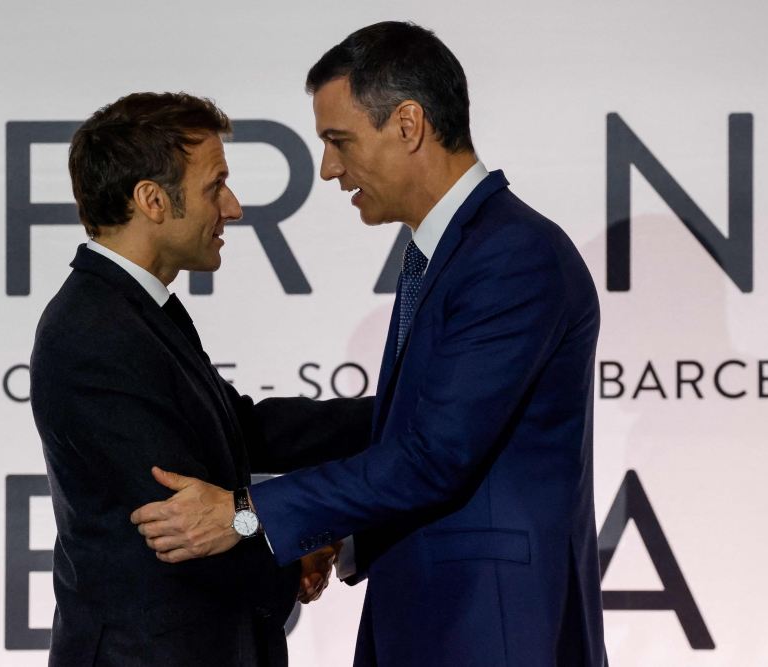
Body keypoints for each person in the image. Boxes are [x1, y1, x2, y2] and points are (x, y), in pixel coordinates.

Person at [131, 22, 608, 667]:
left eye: (338, 141)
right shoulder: (454, 253)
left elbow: (434, 456)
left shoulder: (512, 256)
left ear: (408, 124)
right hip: (437, 616)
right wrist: (344, 532)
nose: (328, 169)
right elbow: (431, 440)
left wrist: (247, 512)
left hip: (489, 627)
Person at [30, 92, 373, 667]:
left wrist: (404, 413)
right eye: (216, 185)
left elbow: (240, 430)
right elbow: (180, 520)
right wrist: (293, 556)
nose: (233, 208)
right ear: (152, 200)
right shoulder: (95, 331)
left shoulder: (134, 311)